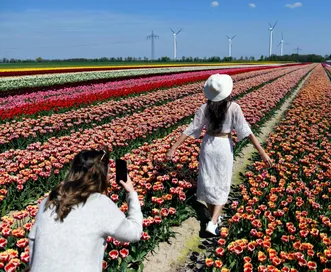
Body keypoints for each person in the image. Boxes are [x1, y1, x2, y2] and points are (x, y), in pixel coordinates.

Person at [166, 74, 273, 236]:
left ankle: (213, 218)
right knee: (222, 183)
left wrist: (173, 147)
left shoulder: (204, 108)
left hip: (208, 145)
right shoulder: (234, 107)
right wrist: (262, 152)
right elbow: (246, 131)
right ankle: (213, 222)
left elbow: (190, 129)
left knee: (208, 181)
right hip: (223, 147)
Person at [28, 150, 143, 271]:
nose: (109, 177)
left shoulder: (48, 201)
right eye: (108, 173)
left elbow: (32, 242)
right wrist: (131, 193)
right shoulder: (100, 204)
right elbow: (134, 233)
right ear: (102, 176)